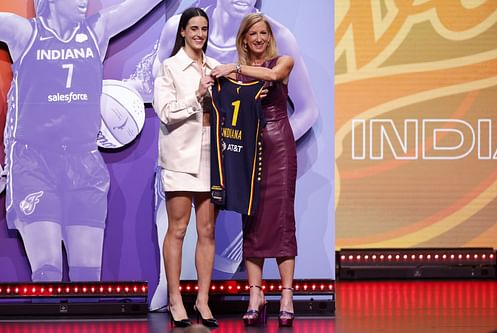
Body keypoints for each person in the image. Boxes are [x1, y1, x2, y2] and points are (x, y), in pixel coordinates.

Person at [0, 0, 163, 282]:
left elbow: (142, 4)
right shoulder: (23, 32)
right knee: (47, 271)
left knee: (88, 279)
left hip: (84, 160)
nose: (82, 1)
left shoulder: (98, 29)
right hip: (34, 161)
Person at [211, 13, 297, 327]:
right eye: (253, 34)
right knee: (253, 221)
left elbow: (273, 78)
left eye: (263, 33)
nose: (259, 38)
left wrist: (232, 68)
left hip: (279, 148)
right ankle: (255, 295)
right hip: (248, 150)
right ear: (244, 39)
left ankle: (286, 295)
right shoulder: (236, 77)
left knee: (282, 219)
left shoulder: (282, 62)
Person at [154, 0, 318, 140]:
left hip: (239, 161)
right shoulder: (177, 28)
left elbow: (307, 111)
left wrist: (261, 147)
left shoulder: (278, 36)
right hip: (185, 155)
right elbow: (161, 94)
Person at [153, 7, 219, 328]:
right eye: (193, 28)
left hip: (211, 157)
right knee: (178, 230)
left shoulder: (216, 67)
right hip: (181, 158)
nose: (199, 34)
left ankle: (203, 301)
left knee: (207, 231)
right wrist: (197, 96)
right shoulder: (169, 68)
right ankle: (175, 299)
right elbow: (165, 112)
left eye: (204, 29)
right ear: (182, 32)